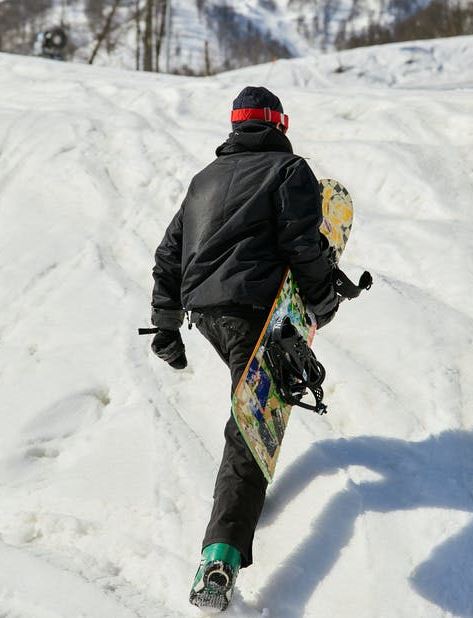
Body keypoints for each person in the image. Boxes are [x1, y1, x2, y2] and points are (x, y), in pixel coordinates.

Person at [150, 86, 339, 610]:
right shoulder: (289, 171)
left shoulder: (202, 181)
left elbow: (168, 256)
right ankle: (219, 557)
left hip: (205, 314)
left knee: (249, 413)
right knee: (252, 430)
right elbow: (302, 243)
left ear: (235, 126)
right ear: (280, 123)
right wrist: (322, 299)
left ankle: (231, 528)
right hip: (256, 311)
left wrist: (165, 326)